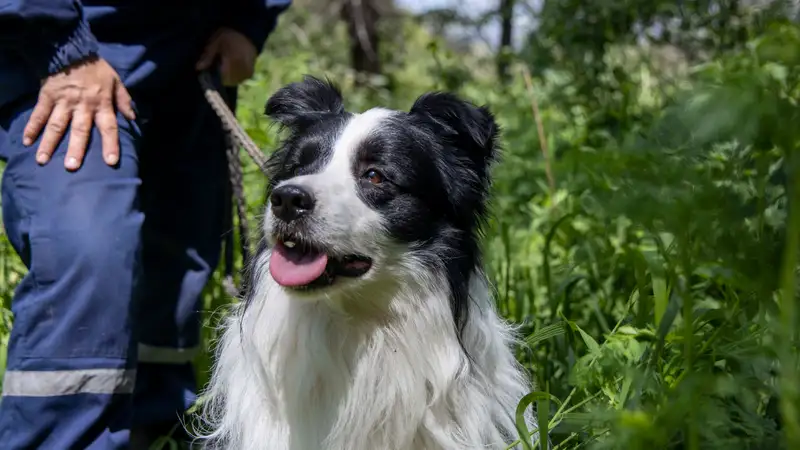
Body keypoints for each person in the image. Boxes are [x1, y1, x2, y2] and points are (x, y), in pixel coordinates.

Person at [0, 0, 291, 448]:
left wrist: (248, 23)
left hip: (192, 55)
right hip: (66, 48)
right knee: (90, 250)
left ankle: (153, 429)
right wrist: (61, 47)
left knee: (178, 257)